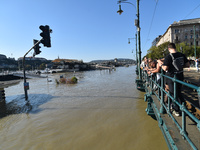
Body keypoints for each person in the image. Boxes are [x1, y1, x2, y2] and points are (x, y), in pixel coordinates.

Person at [159, 43, 190, 116]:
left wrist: (161, 65)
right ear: (175, 48)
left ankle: (177, 110)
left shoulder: (169, 56)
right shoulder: (182, 55)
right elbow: (187, 65)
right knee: (179, 92)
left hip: (172, 77)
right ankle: (183, 107)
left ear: (169, 49)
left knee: (173, 94)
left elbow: (165, 68)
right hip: (180, 76)